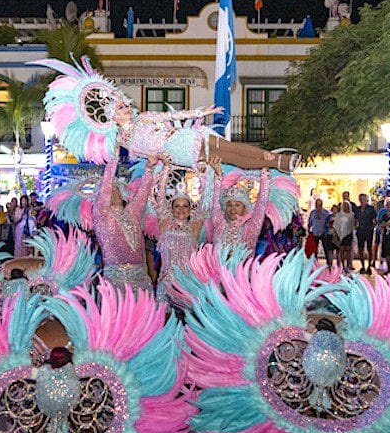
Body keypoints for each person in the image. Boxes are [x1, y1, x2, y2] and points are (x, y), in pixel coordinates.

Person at [40, 57, 299, 172]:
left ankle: (279, 162)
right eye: (120, 107)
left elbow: (172, 116)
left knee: (231, 149)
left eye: (124, 104)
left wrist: (203, 111)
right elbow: (142, 156)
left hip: (184, 136)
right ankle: (275, 163)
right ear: (113, 118)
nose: (126, 107)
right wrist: (155, 160)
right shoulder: (122, 140)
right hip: (177, 152)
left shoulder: (145, 117)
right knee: (229, 156)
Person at [94, 156, 157, 291]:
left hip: (140, 278)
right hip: (115, 281)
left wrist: (149, 169)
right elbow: (106, 185)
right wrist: (113, 159)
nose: (114, 192)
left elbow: (143, 193)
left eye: (116, 190)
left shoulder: (132, 212)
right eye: (110, 191)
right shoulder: (102, 215)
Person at [210, 159, 271, 255]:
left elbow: (261, 203)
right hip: (216, 269)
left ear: (245, 207)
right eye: (229, 205)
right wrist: (218, 175)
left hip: (241, 270)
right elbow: (215, 203)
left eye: (237, 205)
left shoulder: (252, 228)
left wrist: (265, 174)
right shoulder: (219, 225)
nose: (232, 209)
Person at [155, 190, 202, 305]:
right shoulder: (164, 224)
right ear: (171, 209)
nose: (181, 209)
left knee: (187, 318)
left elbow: (207, 203)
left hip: (186, 284)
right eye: (177, 206)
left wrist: (205, 177)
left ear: (190, 209)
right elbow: (160, 199)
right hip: (166, 283)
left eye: (185, 206)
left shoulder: (194, 227)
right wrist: (166, 171)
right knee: (163, 318)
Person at [354, 194, 377, 274]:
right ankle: (363, 266)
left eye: (363, 198)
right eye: (360, 199)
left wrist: (371, 227)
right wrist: (356, 227)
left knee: (369, 249)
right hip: (360, 231)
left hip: (368, 231)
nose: (362, 200)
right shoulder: (357, 209)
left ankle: (369, 266)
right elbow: (355, 219)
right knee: (360, 249)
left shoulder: (370, 209)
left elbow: (375, 220)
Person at [331, 201, 356, 273]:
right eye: (344, 206)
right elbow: (336, 224)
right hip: (340, 233)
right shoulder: (339, 215)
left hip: (348, 233)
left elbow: (353, 224)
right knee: (341, 249)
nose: (345, 207)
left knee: (348, 249)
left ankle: (348, 264)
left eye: (346, 206)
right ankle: (342, 265)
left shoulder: (352, 214)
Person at [307, 199, 332, 266]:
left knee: (326, 249)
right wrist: (309, 229)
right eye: (317, 204)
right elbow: (310, 222)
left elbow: (330, 222)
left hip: (324, 233)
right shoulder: (312, 212)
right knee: (314, 249)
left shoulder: (326, 213)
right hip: (315, 232)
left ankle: (329, 263)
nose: (318, 206)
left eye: (319, 204)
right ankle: (315, 262)